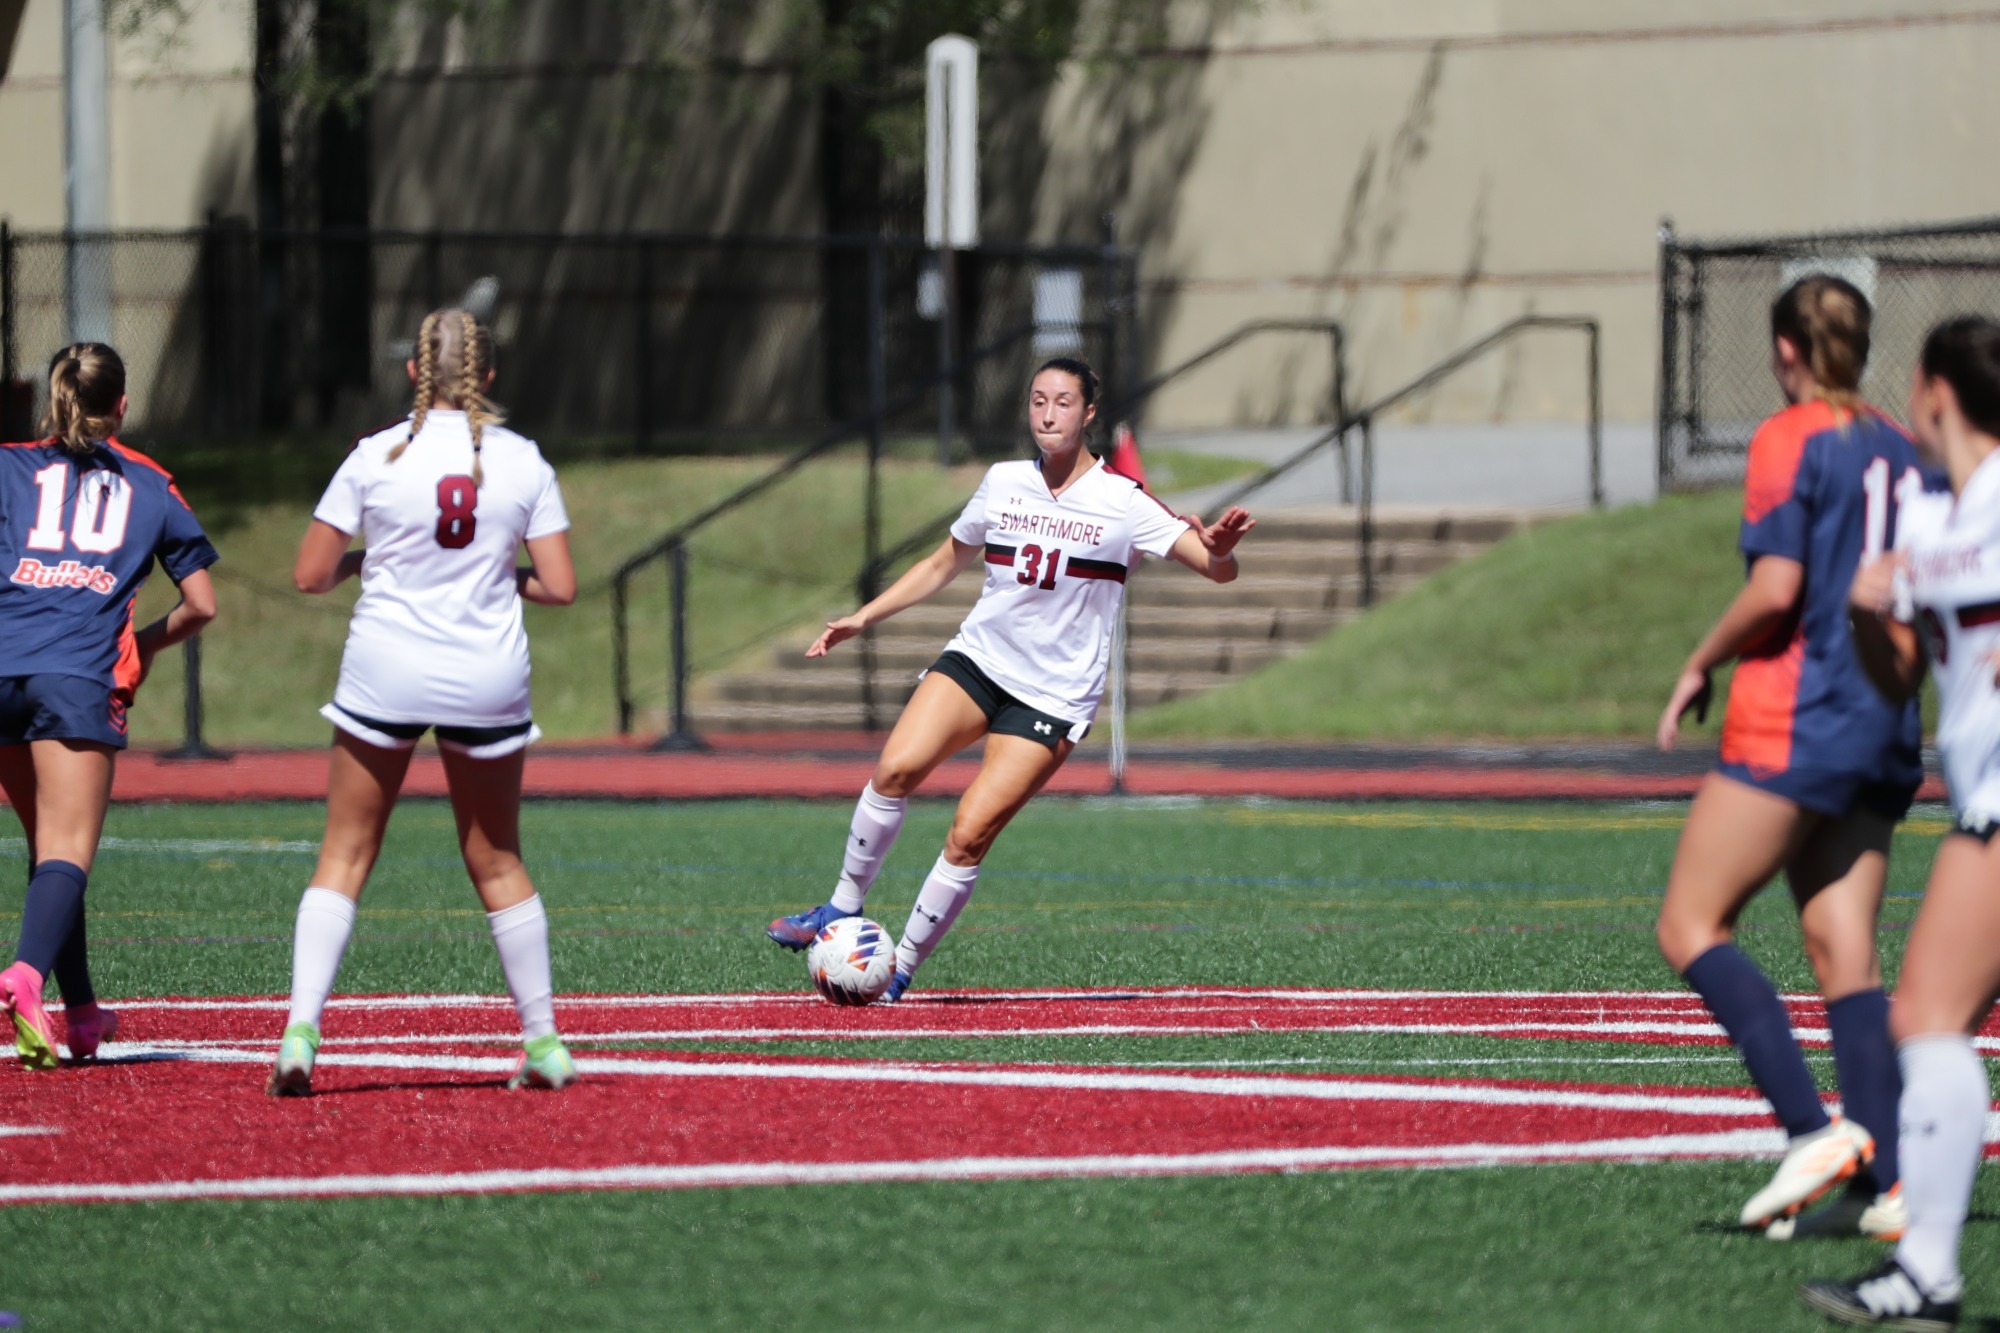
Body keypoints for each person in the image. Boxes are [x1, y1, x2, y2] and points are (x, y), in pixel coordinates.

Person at [764, 356, 1254, 999]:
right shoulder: (1003, 481)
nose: (1048, 414)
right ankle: (841, 908)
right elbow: (945, 561)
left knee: (969, 833)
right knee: (894, 771)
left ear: (1089, 415)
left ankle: (898, 971)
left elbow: (1218, 572)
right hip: (980, 660)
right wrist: (865, 615)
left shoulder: (1124, 501)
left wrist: (1219, 551)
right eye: (1037, 401)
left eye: (1063, 402)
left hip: (1053, 695)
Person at [1655, 275, 1929, 1238]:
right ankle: (1889, 1184)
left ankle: (1813, 1131)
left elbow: (1777, 586)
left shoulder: (1789, 435)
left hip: (1798, 718)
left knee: (1691, 922)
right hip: (1887, 720)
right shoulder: (1902, 442)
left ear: (1785, 352)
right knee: (1842, 946)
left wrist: (1700, 658)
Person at [267, 308, 578, 1096]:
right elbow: (561, 586)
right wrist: (493, 572)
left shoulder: (375, 455)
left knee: (344, 855)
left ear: (413, 370)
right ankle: (544, 1044)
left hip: (388, 664)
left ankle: (301, 1034)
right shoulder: (523, 460)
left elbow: (308, 572)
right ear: (491, 377)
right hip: (487, 671)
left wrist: (371, 561)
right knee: (498, 857)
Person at [1799, 316, 2000, 1331]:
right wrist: (1864, 617)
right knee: (1927, 1014)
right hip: (1980, 796)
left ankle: (1924, 1273)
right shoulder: (1927, 519)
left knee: (1924, 1013)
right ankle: (1923, 1272)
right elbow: (1902, 675)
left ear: (1931, 392)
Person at [0, 342, 219, 1068]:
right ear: (122, 405)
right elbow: (201, 605)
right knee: (67, 850)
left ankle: (85, 1012)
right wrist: (146, 645)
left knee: (51, 854)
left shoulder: (7, 464)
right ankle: (25, 977)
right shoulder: (150, 483)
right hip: (77, 675)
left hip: (5, 668)